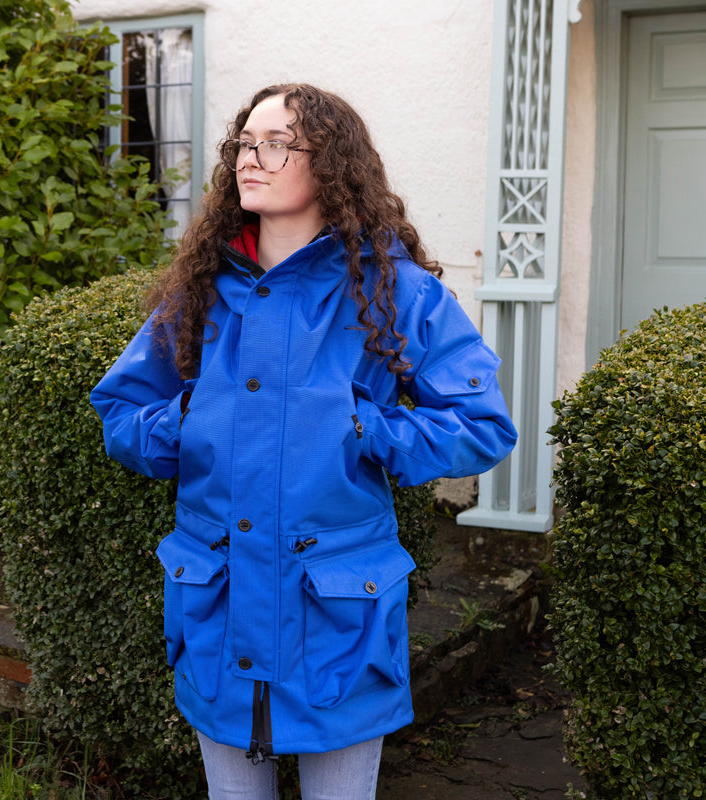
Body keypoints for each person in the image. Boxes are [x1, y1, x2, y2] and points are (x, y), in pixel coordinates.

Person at [89, 84, 518, 799]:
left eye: (276, 143)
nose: (250, 160)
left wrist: (365, 427)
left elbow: (481, 425)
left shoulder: (395, 290)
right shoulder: (198, 289)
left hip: (337, 617)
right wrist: (185, 422)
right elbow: (122, 412)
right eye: (243, 144)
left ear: (332, 164)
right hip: (217, 606)